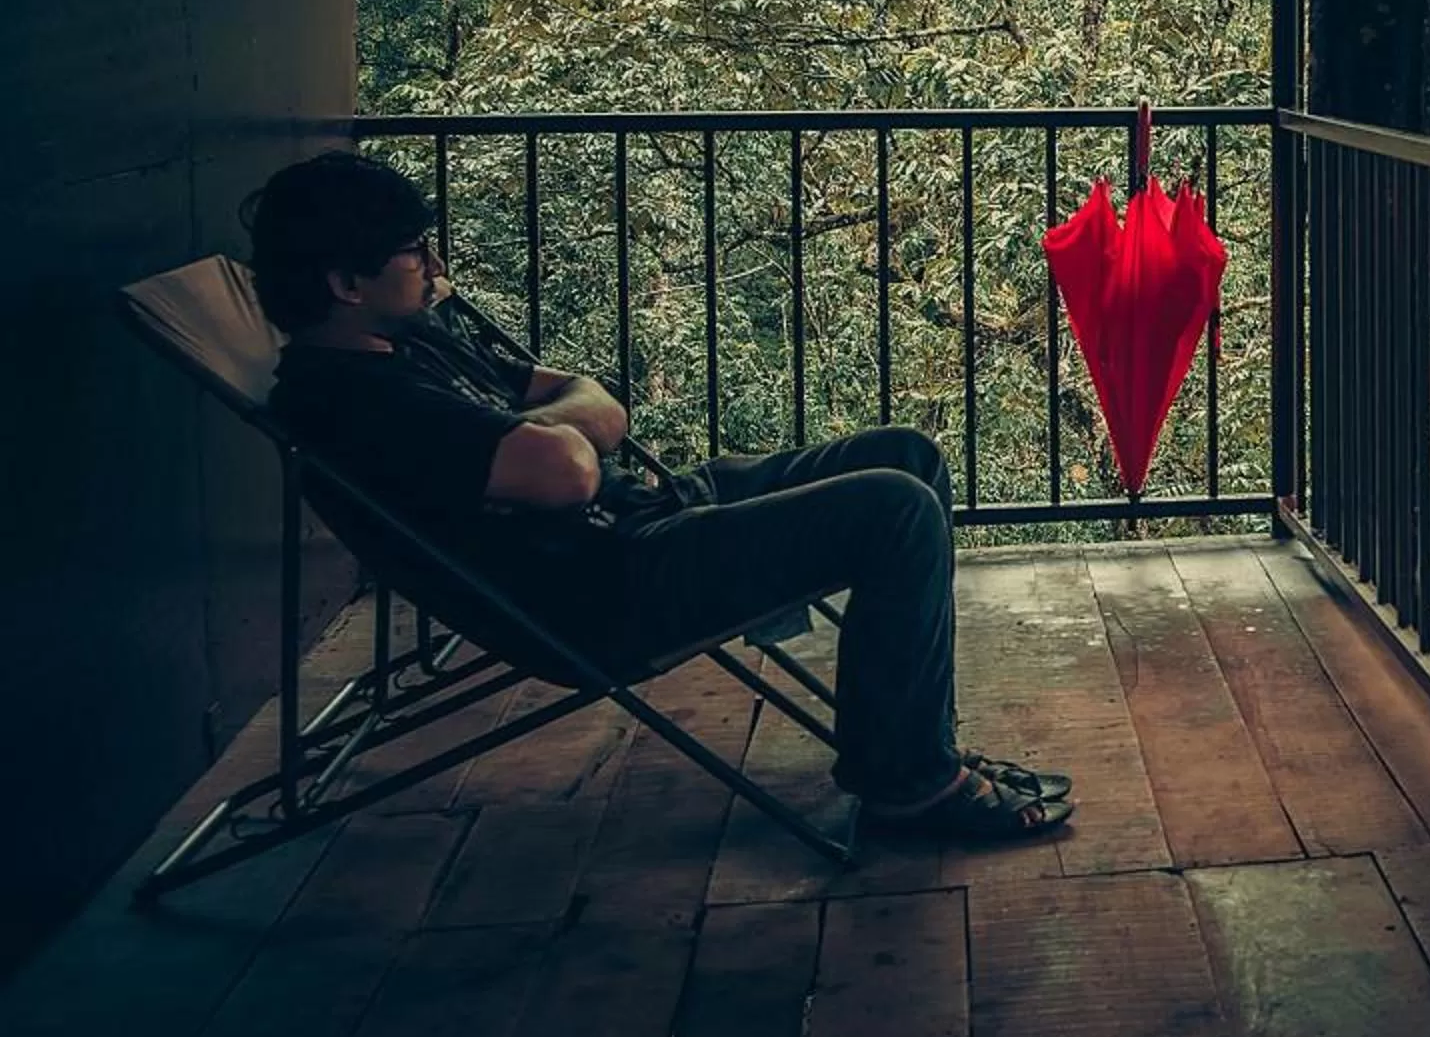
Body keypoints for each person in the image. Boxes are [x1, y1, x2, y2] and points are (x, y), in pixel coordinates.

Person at [245, 147, 1069, 843]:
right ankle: (909, 786)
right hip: (607, 586)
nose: (434, 265)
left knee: (907, 455)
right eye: (412, 251)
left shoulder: (412, 341)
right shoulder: (350, 402)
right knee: (896, 510)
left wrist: (555, 433)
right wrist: (563, 438)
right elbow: (567, 468)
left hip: (647, 514)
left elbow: (596, 406)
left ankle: (912, 743)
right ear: (346, 283)